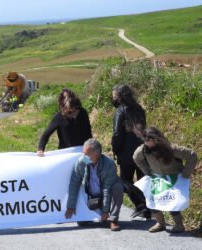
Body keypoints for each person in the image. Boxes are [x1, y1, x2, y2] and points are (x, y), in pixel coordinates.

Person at [133, 127, 198, 233]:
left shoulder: (171, 148)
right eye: (144, 141)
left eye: (148, 141)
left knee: (172, 202)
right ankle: (160, 223)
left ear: (156, 139)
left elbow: (192, 156)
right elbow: (136, 158)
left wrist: (186, 174)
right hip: (157, 178)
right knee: (152, 200)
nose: (146, 143)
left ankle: (179, 225)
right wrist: (148, 172)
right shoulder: (143, 150)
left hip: (174, 177)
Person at [65, 138, 123, 231]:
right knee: (82, 223)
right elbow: (74, 184)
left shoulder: (109, 164)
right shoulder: (80, 162)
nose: (84, 156)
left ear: (97, 154)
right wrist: (71, 206)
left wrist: (105, 211)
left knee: (118, 187)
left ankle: (114, 220)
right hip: (90, 196)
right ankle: (92, 214)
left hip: (104, 193)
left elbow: (106, 189)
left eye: (87, 154)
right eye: (83, 153)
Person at [111, 84, 149, 218]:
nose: (113, 98)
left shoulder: (120, 111)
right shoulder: (140, 109)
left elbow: (117, 134)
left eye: (114, 95)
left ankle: (140, 204)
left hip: (126, 152)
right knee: (142, 179)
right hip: (142, 150)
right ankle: (147, 207)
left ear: (119, 97)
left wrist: (115, 149)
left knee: (125, 180)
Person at [37, 88, 92, 156]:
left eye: (73, 111)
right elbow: (46, 134)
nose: (72, 115)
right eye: (68, 113)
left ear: (76, 107)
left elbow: (88, 134)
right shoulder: (58, 117)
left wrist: (90, 149)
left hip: (81, 151)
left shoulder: (83, 113)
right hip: (65, 152)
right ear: (62, 109)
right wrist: (40, 149)